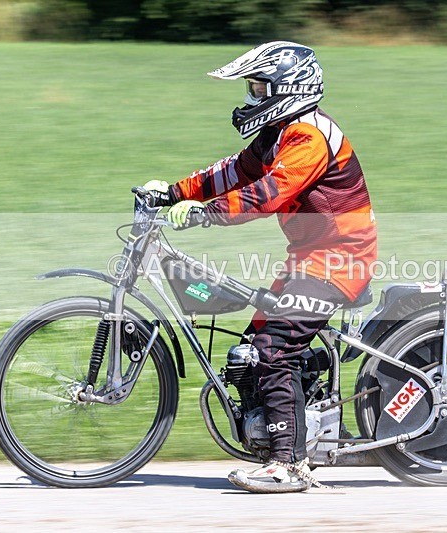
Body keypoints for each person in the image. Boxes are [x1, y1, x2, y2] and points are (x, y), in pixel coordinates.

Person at [142, 41, 377, 493]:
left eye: (257, 88)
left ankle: (289, 465)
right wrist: (172, 193)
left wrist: (203, 213)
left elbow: (268, 194)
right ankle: (296, 424)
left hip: (339, 259)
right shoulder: (279, 134)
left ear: (286, 88)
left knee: (274, 349)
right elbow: (232, 173)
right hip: (310, 258)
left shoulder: (309, 137)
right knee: (251, 350)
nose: (251, 98)